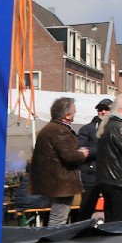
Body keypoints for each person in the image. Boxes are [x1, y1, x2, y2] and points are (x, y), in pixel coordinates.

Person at [28, 97, 88, 227]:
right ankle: (53, 239)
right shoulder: (60, 130)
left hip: (54, 181)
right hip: (62, 182)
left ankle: (51, 237)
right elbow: (70, 156)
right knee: (58, 219)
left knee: (56, 218)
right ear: (67, 115)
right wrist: (82, 154)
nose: (76, 112)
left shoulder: (50, 128)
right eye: (74, 110)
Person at [71, 101, 103, 223]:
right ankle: (82, 230)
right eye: (100, 109)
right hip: (91, 174)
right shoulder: (87, 128)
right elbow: (81, 150)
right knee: (86, 208)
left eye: (106, 109)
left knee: (112, 208)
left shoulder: (114, 128)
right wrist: (102, 150)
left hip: (110, 174)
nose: (103, 111)